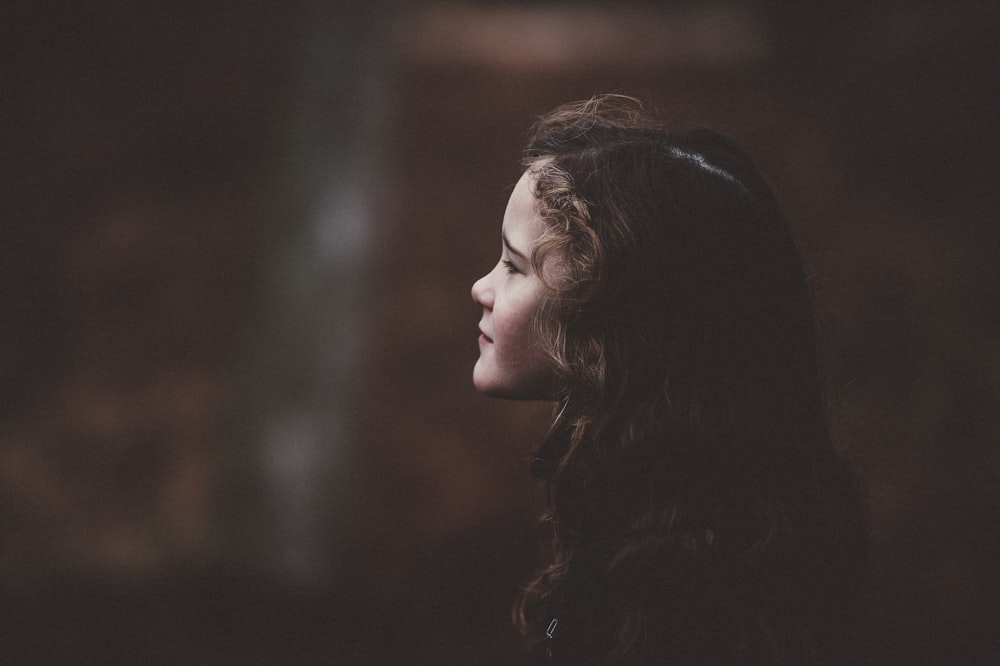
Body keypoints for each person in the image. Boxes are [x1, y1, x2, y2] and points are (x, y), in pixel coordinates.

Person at [471, 95, 868, 664]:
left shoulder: (673, 595)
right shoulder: (683, 517)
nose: (481, 288)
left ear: (611, 320)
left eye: (513, 266)